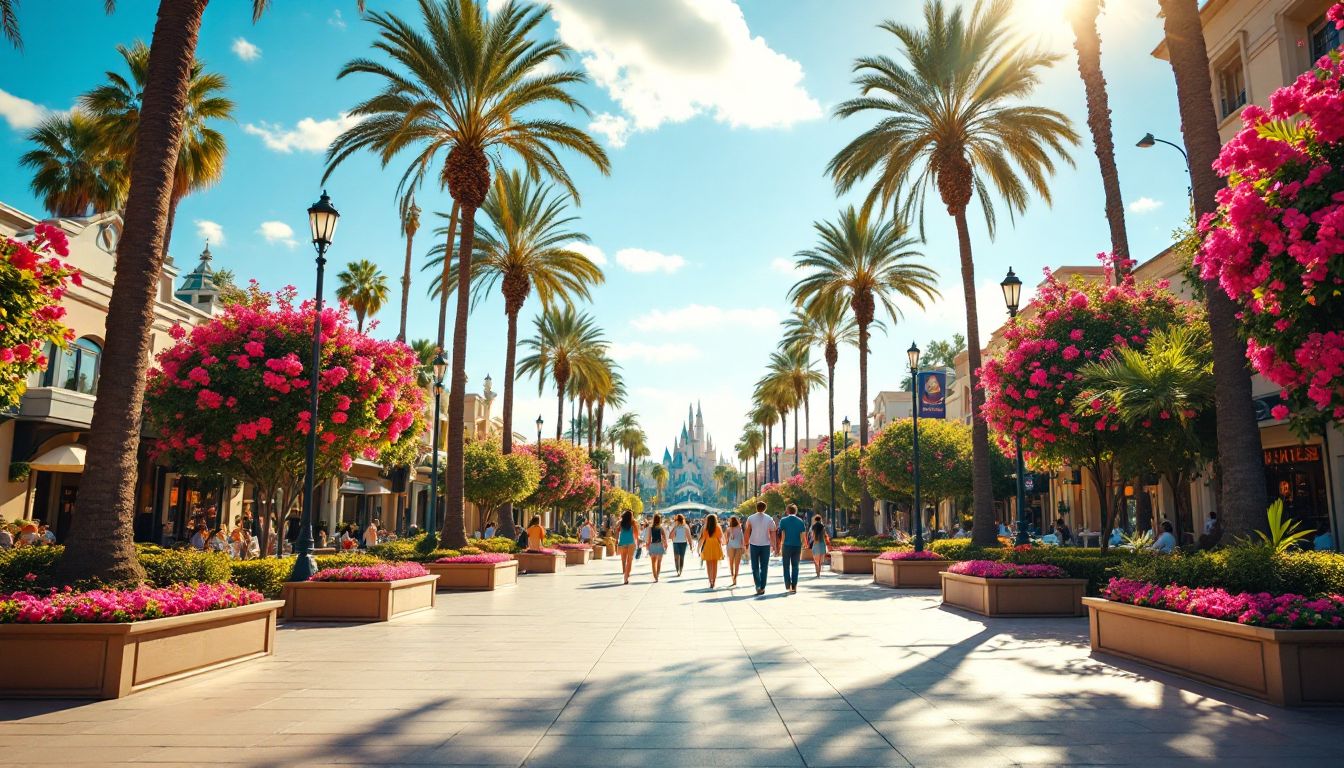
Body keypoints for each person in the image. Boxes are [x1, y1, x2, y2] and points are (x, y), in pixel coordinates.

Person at [745, 501, 777, 596]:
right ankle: (763, 587)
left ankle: (758, 586)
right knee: (764, 567)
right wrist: (774, 544)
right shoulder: (769, 518)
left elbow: (747, 531)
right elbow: (773, 531)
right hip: (765, 545)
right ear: (765, 508)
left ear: (756, 508)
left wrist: (746, 543)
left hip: (754, 544)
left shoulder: (750, 518)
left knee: (755, 567)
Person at [777, 504, 807, 593]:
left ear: (787, 511)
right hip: (797, 546)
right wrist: (802, 544)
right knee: (795, 566)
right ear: (796, 511)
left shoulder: (783, 520)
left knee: (786, 566)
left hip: (786, 546)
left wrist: (781, 546)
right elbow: (803, 535)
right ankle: (794, 586)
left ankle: (788, 585)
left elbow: (783, 535)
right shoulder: (800, 521)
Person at [699, 513, 725, 588]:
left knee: (708, 565)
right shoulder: (718, 527)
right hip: (715, 545)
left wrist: (699, 549)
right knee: (715, 565)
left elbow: (703, 538)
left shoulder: (705, 527)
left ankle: (710, 581)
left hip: (708, 545)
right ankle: (714, 581)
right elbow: (720, 538)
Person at [616, 510, 640, 585]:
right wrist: (637, 542)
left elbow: (617, 531)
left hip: (623, 542)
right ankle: (626, 576)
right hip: (631, 543)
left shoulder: (621, 523)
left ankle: (625, 573)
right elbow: (636, 534)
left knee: (623, 559)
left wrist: (616, 540)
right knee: (629, 560)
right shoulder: (633, 523)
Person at [646, 513, 667, 582]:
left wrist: (647, 545)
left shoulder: (650, 527)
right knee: (659, 562)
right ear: (660, 520)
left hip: (653, 545)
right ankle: (657, 575)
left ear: (654, 519)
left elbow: (649, 538)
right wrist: (665, 544)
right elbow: (664, 537)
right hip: (659, 545)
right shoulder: (661, 528)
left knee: (653, 562)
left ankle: (655, 577)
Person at [725, 515, 745, 587]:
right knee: (737, 564)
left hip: (730, 547)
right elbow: (742, 538)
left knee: (731, 563)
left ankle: (732, 577)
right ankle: (735, 577)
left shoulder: (728, 529)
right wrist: (743, 547)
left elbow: (726, 540)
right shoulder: (740, 528)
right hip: (739, 547)